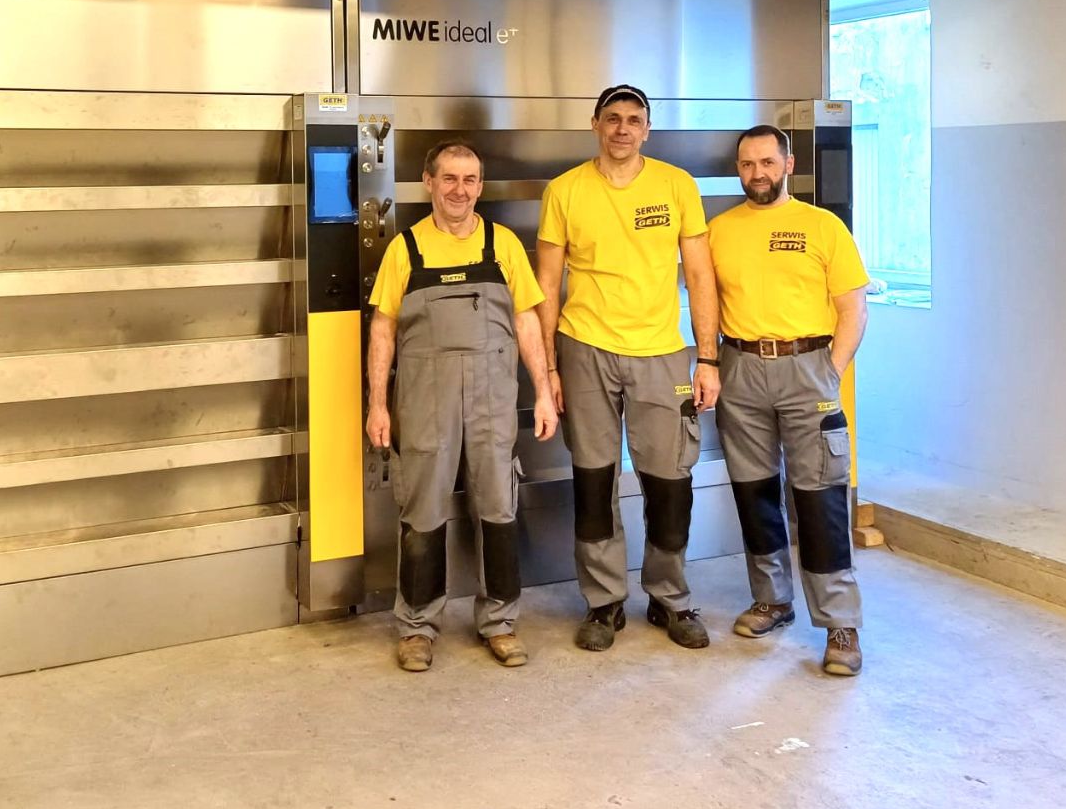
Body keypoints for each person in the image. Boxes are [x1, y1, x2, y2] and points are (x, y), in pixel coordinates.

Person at [535, 84, 722, 652]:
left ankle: (669, 596)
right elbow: (547, 283)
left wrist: (707, 356)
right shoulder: (565, 190)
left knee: (670, 483)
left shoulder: (676, 185)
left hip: (662, 352)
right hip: (584, 347)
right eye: (612, 118)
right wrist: (549, 369)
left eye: (633, 120)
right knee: (594, 481)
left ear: (647, 129)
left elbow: (700, 275)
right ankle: (604, 602)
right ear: (595, 124)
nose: (622, 128)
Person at [365, 139, 559, 673]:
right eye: (449, 178)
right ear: (429, 182)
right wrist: (377, 404)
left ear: (480, 186)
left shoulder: (503, 245)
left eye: (470, 179)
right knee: (423, 512)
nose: (460, 190)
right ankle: (417, 627)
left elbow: (526, 321)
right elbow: (382, 330)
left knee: (498, 507)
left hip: (493, 399)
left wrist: (543, 391)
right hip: (425, 400)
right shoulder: (405, 249)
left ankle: (500, 622)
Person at [708, 124, 870, 677]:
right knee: (754, 492)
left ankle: (840, 623)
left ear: (788, 164)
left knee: (820, 498)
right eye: (747, 164)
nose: (757, 173)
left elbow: (853, 309)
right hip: (740, 368)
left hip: (809, 367)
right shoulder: (720, 230)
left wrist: (830, 372)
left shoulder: (822, 226)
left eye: (767, 163)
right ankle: (772, 600)